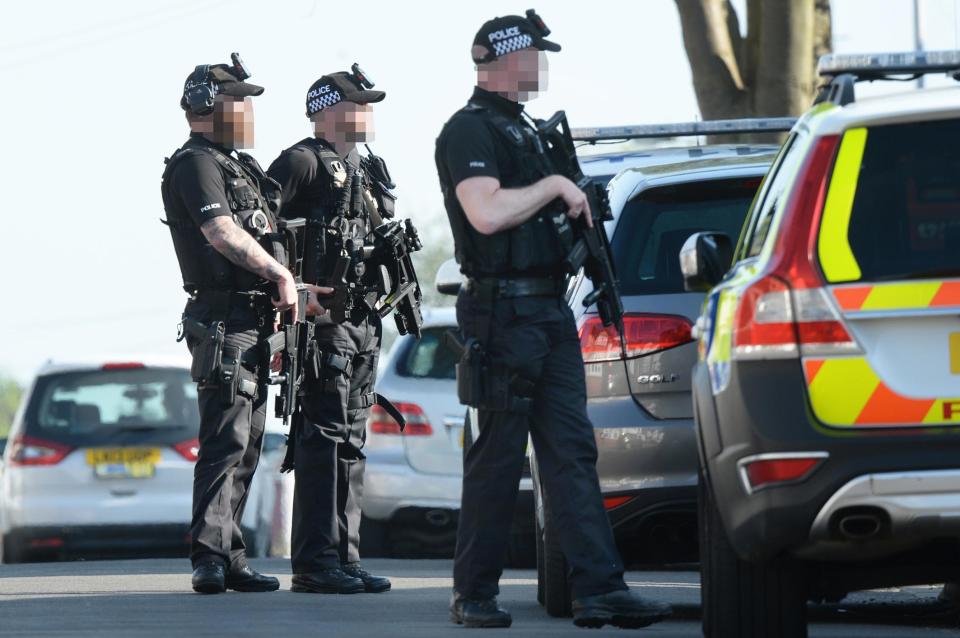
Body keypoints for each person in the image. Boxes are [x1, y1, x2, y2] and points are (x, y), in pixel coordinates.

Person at [434, 12, 674, 629]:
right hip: (502, 313)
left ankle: (599, 589)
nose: (542, 65)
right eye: (536, 54)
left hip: (544, 308)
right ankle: (475, 594)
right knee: (499, 454)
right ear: (509, 58)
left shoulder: (529, 131)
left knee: (571, 453)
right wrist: (556, 188)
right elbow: (485, 214)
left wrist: (576, 206)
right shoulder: (468, 131)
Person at [160, 54, 326, 594]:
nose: (248, 112)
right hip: (223, 320)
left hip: (255, 319)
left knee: (250, 440)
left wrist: (296, 289)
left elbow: (270, 236)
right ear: (209, 105)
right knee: (226, 437)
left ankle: (230, 554)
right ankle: (209, 557)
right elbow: (222, 235)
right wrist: (279, 274)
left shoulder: (241, 167)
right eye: (239, 102)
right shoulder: (196, 164)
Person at [266, 67, 394, 595]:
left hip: (364, 320)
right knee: (324, 437)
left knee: (354, 439)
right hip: (323, 323)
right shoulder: (300, 161)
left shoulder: (368, 167)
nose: (365, 112)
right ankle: (316, 563)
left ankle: (345, 555)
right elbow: (262, 226)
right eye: (356, 104)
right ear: (324, 110)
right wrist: (290, 293)